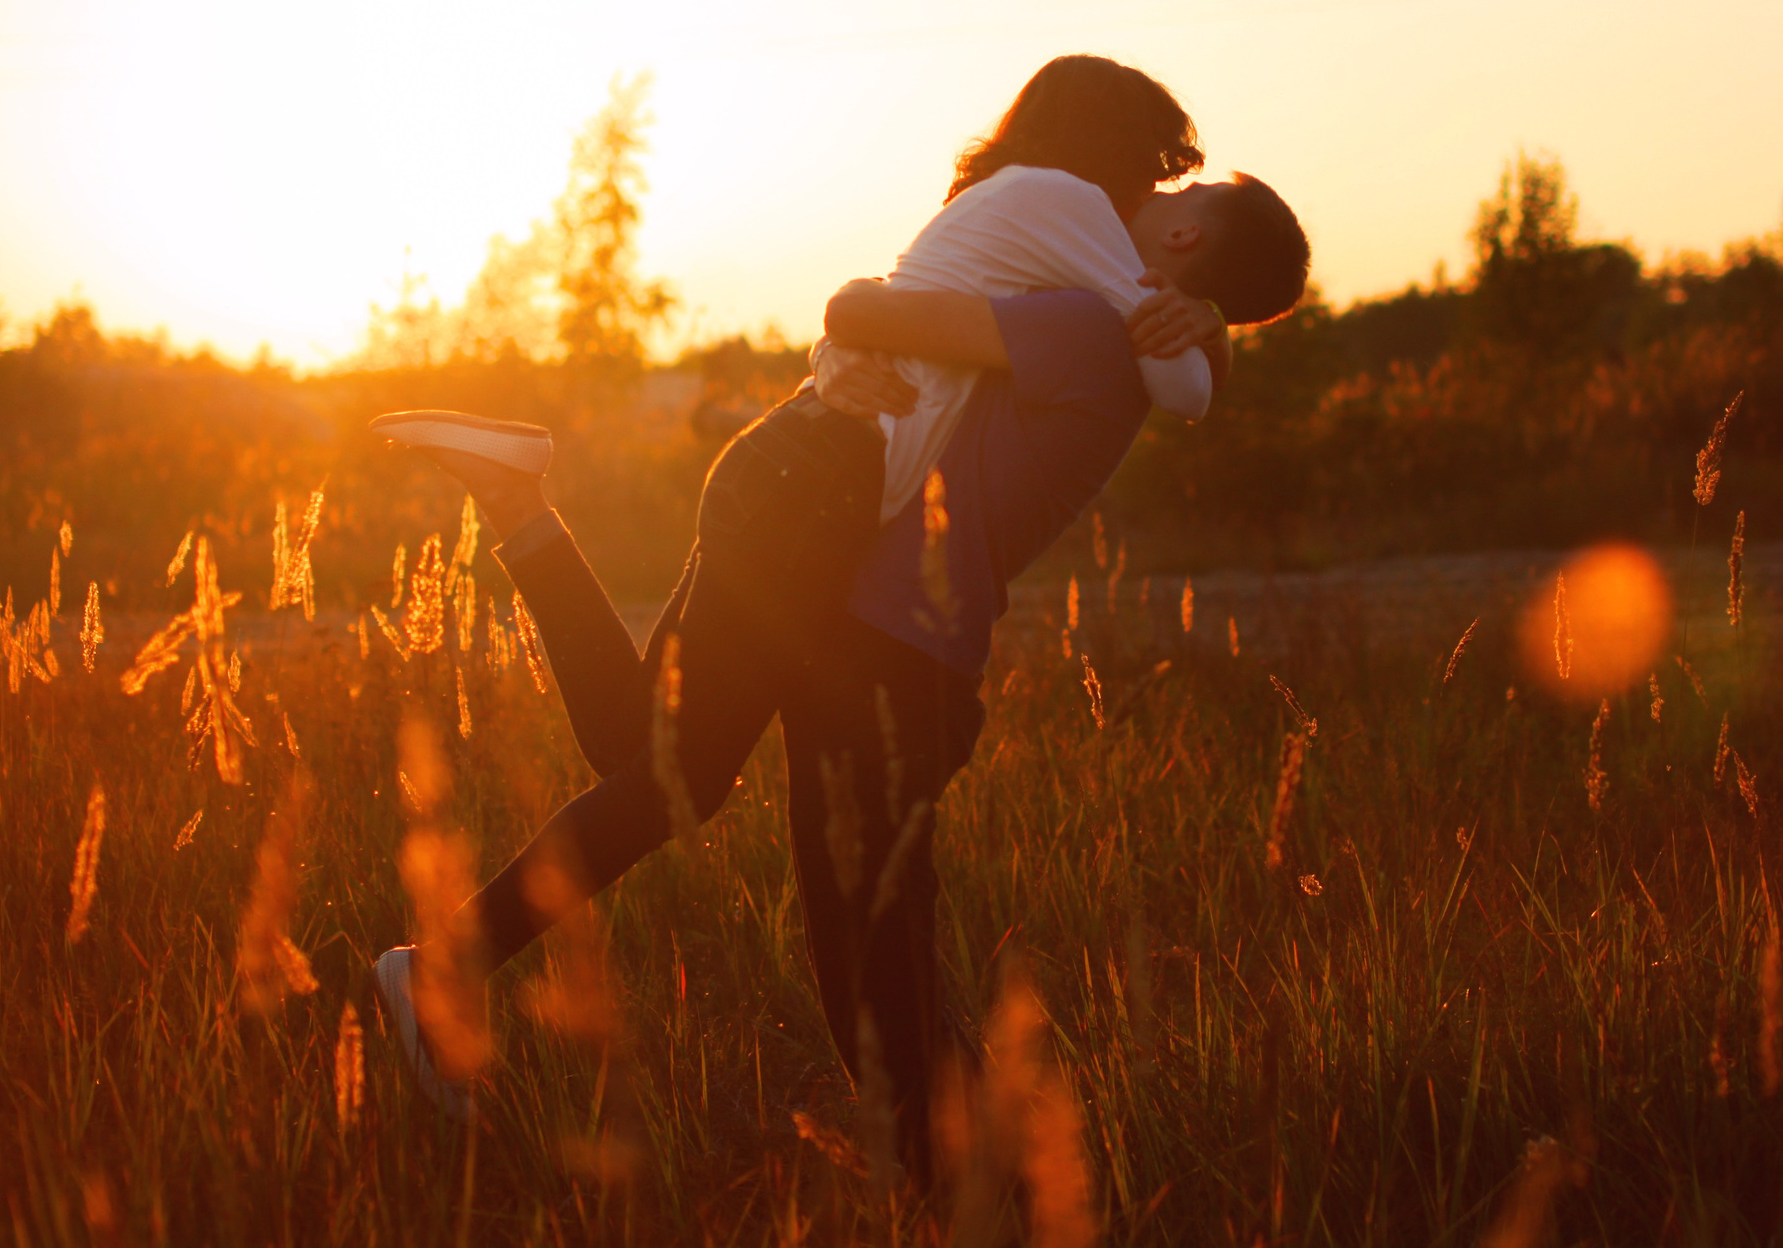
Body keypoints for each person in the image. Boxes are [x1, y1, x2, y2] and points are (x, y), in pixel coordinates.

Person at [370, 91, 1309, 1189]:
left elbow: (871, 311)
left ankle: (959, 1179)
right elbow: (1084, 358)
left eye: (1184, 194)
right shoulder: (1107, 327)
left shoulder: (1080, 323)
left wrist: (855, 326)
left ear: (1188, 237)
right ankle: (961, 1179)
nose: (1157, 196)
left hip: (884, 642)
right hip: (860, 608)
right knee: (832, 910)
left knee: (841, 927)